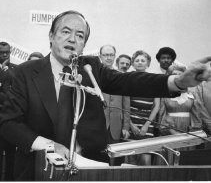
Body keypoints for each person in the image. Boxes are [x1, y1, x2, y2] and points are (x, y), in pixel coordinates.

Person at [0, 10, 211, 180]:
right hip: (40, 169)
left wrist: (178, 81)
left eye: (80, 35)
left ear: (84, 44)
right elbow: (8, 123)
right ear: (51, 36)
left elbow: (130, 81)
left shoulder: (91, 68)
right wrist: (49, 145)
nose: (72, 39)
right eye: (65, 32)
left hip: (92, 169)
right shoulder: (25, 72)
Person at [126, 50, 160, 165]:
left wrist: (147, 125)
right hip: (131, 122)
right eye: (137, 60)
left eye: (143, 60)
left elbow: (157, 106)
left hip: (147, 123)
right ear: (133, 63)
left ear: (148, 63)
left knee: (146, 160)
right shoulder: (127, 80)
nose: (140, 63)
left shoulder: (154, 81)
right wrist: (131, 125)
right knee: (131, 160)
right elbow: (124, 104)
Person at [158, 64, 195, 164]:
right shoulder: (165, 93)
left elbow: (196, 114)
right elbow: (161, 114)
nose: (178, 76)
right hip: (170, 128)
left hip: (187, 130)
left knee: (185, 158)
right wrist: (169, 129)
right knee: (170, 157)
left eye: (180, 74)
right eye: (175, 74)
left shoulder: (192, 93)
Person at [99, 45, 130, 165]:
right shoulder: (93, 75)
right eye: (106, 55)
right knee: (99, 155)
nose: (108, 58)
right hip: (99, 122)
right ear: (100, 56)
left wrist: (126, 126)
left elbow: (126, 105)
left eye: (111, 55)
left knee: (115, 156)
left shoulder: (122, 76)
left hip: (116, 123)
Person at [0, 41, 16, 181]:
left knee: (12, 160)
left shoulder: (15, 69)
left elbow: (16, 95)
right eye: (1, 52)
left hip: (11, 122)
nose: (5, 54)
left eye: (7, 52)